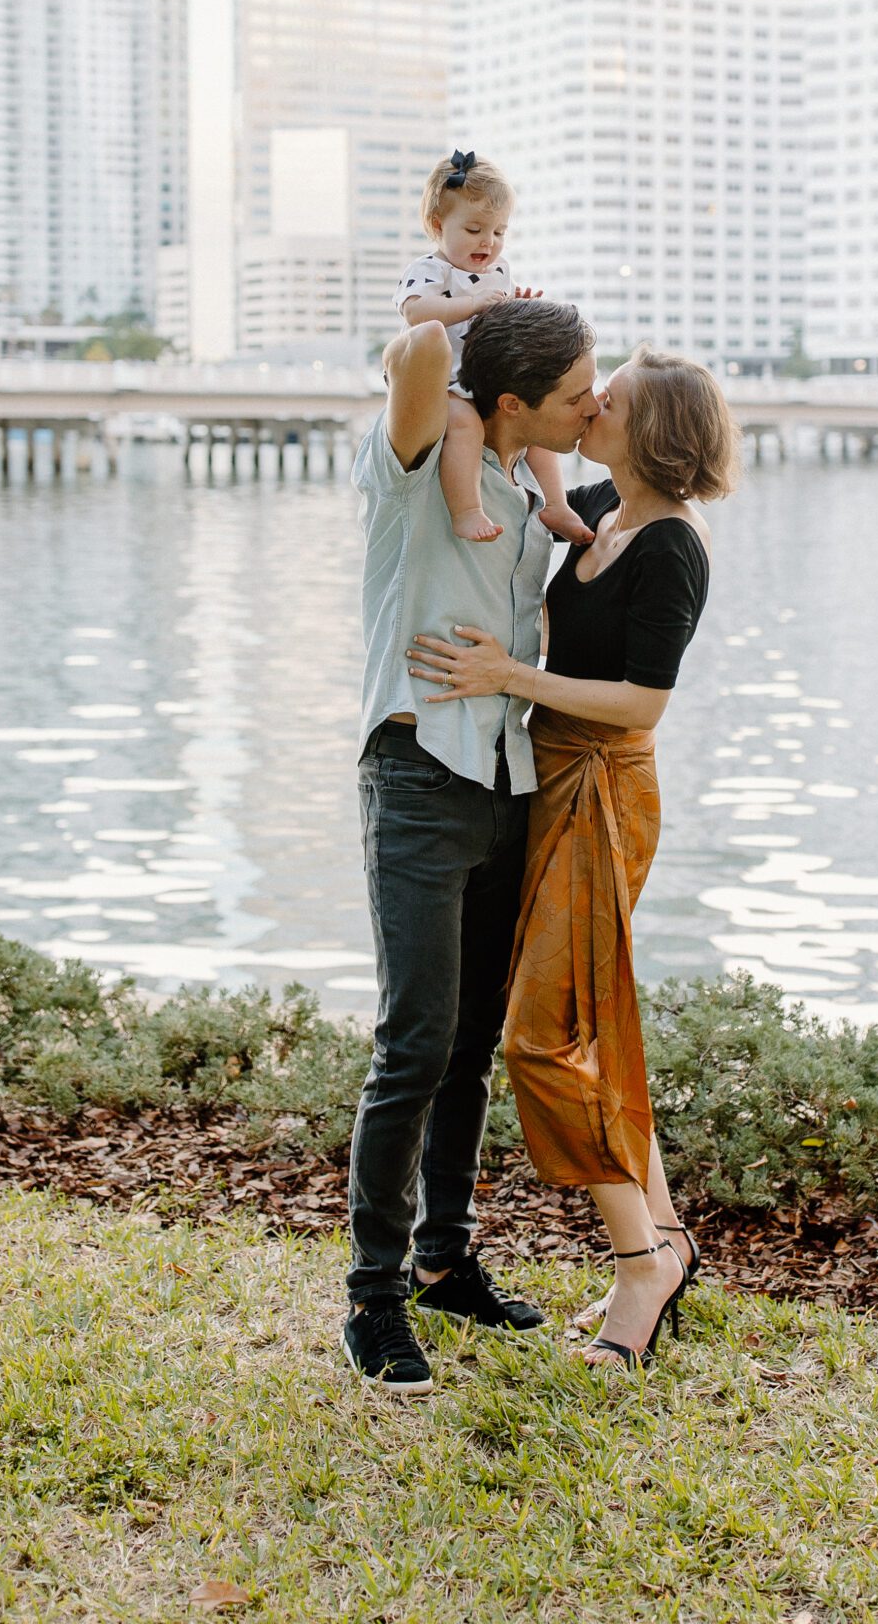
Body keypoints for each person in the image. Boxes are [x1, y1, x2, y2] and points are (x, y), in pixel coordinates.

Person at [408, 348, 742, 1373]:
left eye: (616, 399)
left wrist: (512, 674)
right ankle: (668, 1236)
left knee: (544, 1038)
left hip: (604, 783)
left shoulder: (673, 544)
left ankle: (640, 1265)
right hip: (541, 774)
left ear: (656, 430)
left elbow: (643, 703)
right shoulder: (597, 504)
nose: (595, 405)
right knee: (594, 1023)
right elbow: (497, 450)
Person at [342, 292, 600, 1393]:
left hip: (508, 781)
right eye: (575, 395)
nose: (591, 409)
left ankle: (447, 1260)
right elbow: (416, 353)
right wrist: (466, 294)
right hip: (419, 776)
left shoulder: (525, 492)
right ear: (507, 402)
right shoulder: (415, 467)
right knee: (415, 1041)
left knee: (471, 1044)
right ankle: (374, 1296)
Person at [395, 150, 592, 549]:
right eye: (474, 230)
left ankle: (555, 504)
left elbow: (496, 319)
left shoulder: (497, 271)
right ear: (438, 225)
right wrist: (472, 305)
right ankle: (466, 509)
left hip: (483, 373)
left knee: (536, 428)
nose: (489, 241)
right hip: (442, 380)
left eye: (499, 232)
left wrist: (519, 304)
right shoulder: (430, 270)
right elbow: (417, 313)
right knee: (465, 426)